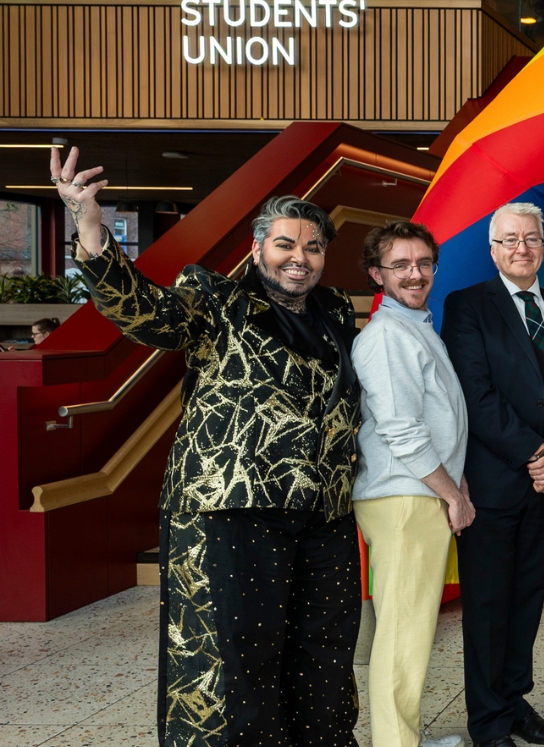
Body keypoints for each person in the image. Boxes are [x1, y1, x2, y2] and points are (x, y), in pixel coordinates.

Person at [53, 147, 364, 747]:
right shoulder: (214, 299)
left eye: (313, 247)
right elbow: (144, 314)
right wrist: (89, 225)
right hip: (231, 509)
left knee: (323, 658)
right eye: (285, 245)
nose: (299, 259)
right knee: (232, 662)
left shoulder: (334, 312)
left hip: (323, 511)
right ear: (257, 249)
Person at [442, 202, 544, 747]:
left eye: (530, 238)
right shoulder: (467, 307)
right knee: (487, 607)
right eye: (509, 240)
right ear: (493, 248)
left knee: (527, 602)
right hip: (497, 484)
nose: (521, 248)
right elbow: (475, 396)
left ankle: (515, 702)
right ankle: (487, 722)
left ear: (542, 245)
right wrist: (535, 455)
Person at [352, 220, 473, 747]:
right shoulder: (385, 336)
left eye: (424, 262)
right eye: (400, 265)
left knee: (413, 630)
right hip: (405, 497)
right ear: (377, 274)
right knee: (403, 635)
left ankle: (404, 737)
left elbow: (440, 422)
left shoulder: (416, 326)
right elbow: (402, 429)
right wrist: (451, 493)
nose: (415, 273)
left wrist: (455, 485)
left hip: (417, 492)